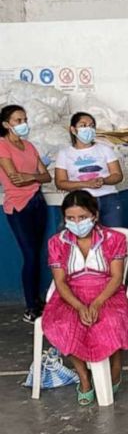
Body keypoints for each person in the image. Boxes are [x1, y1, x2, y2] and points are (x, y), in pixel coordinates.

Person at [42, 191, 128, 406]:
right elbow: (60, 282)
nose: (77, 223)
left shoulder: (114, 239)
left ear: (94, 215)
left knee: (110, 321)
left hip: (107, 292)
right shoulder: (56, 243)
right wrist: (78, 306)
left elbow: (116, 278)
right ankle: (84, 377)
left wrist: (96, 303)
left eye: (82, 217)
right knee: (63, 324)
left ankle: (115, 368)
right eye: (71, 218)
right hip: (70, 293)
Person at [0, 104, 51, 323]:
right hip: (18, 206)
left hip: (37, 202)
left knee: (37, 254)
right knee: (29, 255)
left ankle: (38, 300)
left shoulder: (29, 146)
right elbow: (14, 178)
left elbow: (46, 176)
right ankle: (31, 306)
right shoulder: (2, 146)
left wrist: (30, 177)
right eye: (18, 121)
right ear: (6, 124)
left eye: (25, 120)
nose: (23, 124)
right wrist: (34, 176)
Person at [54, 112, 124, 226]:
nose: (88, 129)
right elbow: (60, 183)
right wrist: (85, 184)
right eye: (83, 125)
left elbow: (117, 175)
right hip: (80, 202)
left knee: (113, 235)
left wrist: (103, 180)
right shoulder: (64, 154)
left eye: (91, 126)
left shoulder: (105, 149)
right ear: (73, 130)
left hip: (108, 198)